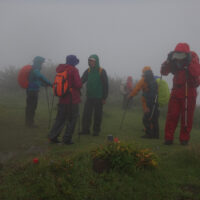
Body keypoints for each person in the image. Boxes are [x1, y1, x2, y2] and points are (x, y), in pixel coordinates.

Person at [161, 43, 200, 145]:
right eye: (177, 55)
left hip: (189, 91)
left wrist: (189, 62)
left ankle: (184, 139)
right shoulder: (173, 59)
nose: (178, 58)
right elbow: (163, 72)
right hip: (176, 91)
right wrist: (168, 60)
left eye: (181, 55)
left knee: (187, 117)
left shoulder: (193, 58)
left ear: (186, 54)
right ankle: (168, 138)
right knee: (171, 115)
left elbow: (196, 73)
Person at [48, 55, 82, 144]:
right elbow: (78, 84)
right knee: (72, 119)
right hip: (72, 99)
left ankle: (53, 136)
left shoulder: (61, 69)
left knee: (60, 118)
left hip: (62, 98)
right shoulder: (74, 70)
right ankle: (67, 139)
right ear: (74, 62)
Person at [80, 54, 108, 136]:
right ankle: (85, 130)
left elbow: (105, 85)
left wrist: (104, 97)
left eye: (92, 61)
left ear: (96, 61)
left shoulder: (102, 71)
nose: (90, 62)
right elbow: (81, 81)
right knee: (86, 114)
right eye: (89, 60)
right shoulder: (88, 71)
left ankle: (96, 131)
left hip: (99, 97)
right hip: (89, 96)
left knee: (98, 115)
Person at [128, 66, 159, 139]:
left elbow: (137, 88)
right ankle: (156, 134)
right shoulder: (154, 80)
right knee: (154, 118)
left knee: (146, 118)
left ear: (144, 72)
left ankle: (149, 133)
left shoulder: (144, 79)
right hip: (155, 102)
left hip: (147, 101)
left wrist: (131, 96)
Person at [26, 56, 52, 128]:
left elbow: (36, 81)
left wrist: (44, 84)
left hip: (29, 90)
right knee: (32, 106)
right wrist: (49, 83)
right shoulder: (35, 69)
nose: (42, 64)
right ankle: (30, 123)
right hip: (33, 91)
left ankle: (28, 122)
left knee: (29, 106)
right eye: (41, 62)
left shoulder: (32, 68)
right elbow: (40, 77)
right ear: (39, 62)